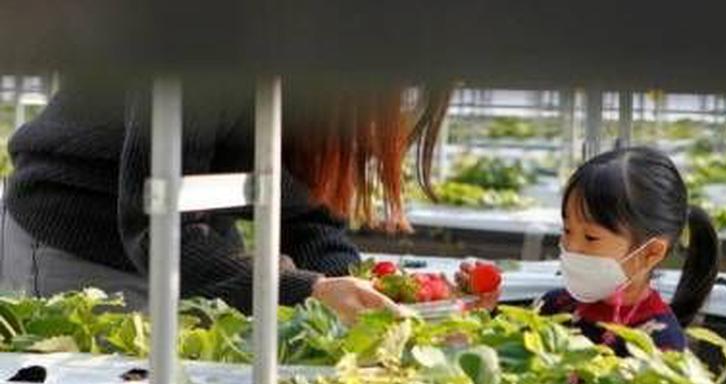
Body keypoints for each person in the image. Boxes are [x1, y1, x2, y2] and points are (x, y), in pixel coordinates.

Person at [1, 75, 449, 323]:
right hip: (80, 233)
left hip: (195, 241)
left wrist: (369, 297)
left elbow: (309, 212)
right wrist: (309, 291)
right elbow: (159, 231)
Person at [535, 146, 719, 352]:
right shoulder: (553, 306)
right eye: (567, 230)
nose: (571, 247)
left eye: (591, 237)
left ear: (651, 253)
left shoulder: (659, 345)